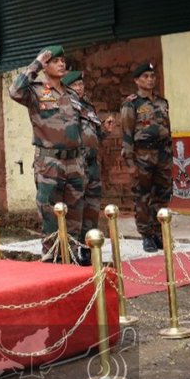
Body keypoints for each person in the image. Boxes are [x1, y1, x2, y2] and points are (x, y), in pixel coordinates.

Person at [10, 47, 85, 263]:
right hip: (49, 161)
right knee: (51, 215)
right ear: (46, 66)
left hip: (74, 161)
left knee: (74, 216)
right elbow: (14, 91)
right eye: (55, 61)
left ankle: (70, 259)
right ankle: (53, 262)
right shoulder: (35, 91)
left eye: (63, 60)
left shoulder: (71, 94)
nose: (61, 64)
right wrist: (36, 64)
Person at [62, 71, 117, 264]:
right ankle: (71, 247)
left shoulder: (87, 106)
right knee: (75, 207)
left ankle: (87, 247)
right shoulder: (65, 105)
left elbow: (92, 135)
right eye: (75, 85)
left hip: (92, 163)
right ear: (67, 88)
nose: (79, 88)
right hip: (76, 162)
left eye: (81, 84)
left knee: (92, 207)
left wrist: (104, 130)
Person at [121, 60, 173, 251]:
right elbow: (126, 134)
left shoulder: (162, 102)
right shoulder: (131, 104)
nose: (150, 80)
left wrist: (170, 152)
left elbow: (168, 129)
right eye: (145, 76)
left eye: (152, 76)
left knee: (162, 194)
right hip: (142, 155)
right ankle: (146, 235)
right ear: (137, 80)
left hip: (163, 154)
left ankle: (159, 232)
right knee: (143, 195)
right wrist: (129, 161)